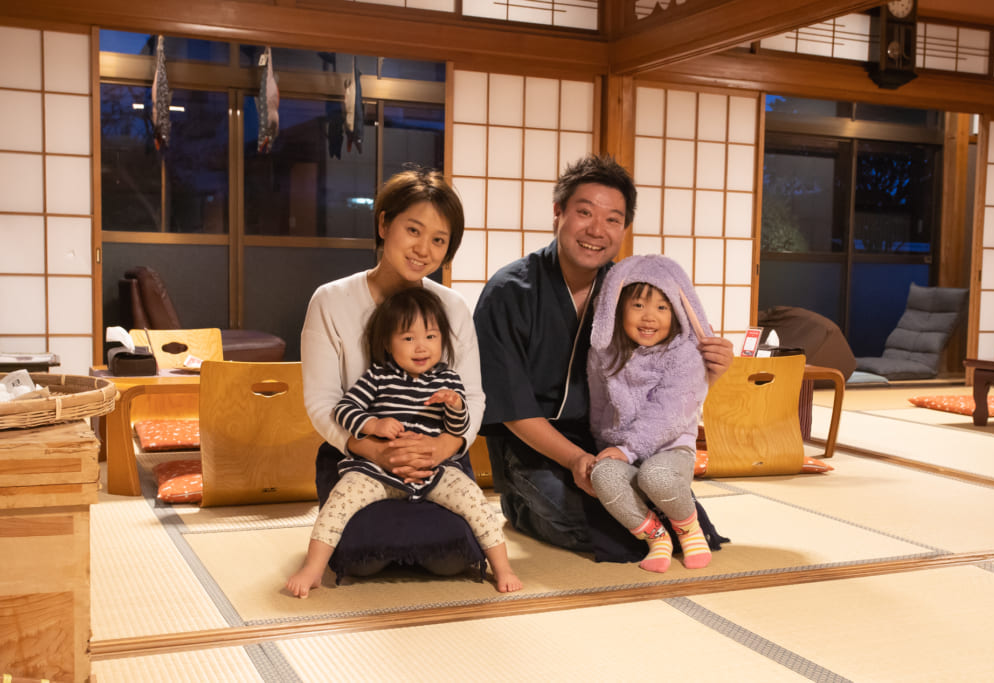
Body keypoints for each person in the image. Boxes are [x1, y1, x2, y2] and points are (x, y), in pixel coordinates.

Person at [473, 154, 734, 563]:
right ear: (558, 213)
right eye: (584, 213)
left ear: (624, 228)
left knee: (686, 520)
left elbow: (664, 379)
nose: (597, 230)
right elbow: (510, 403)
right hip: (533, 443)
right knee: (584, 524)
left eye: (613, 219)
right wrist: (577, 459)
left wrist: (709, 371)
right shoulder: (510, 291)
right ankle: (520, 504)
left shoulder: (630, 292)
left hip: (611, 441)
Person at [300, 167, 487, 579]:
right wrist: (371, 448)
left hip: (436, 459)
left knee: (456, 553)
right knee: (362, 556)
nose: (424, 249)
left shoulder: (452, 307)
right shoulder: (330, 301)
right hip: (358, 457)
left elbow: (472, 396)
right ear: (385, 223)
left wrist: (445, 446)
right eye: (413, 230)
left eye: (439, 240)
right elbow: (321, 401)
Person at [288, 287, 520, 597]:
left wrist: (455, 407)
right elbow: (343, 409)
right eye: (408, 338)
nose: (421, 347)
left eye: (431, 337)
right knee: (339, 502)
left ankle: (503, 569)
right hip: (375, 469)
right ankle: (313, 568)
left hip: (433, 470)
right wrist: (374, 424)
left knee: (475, 501)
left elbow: (459, 428)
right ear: (387, 342)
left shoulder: (448, 380)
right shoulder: (378, 376)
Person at [587, 254, 712, 573]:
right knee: (602, 474)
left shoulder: (684, 353)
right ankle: (657, 538)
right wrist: (607, 449)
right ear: (617, 308)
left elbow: (669, 414)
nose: (649, 317)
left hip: (670, 449)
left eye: (662, 307)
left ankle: (688, 529)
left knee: (655, 476)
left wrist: (627, 449)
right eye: (638, 305)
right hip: (624, 450)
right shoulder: (604, 352)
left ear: (678, 311)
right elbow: (599, 405)